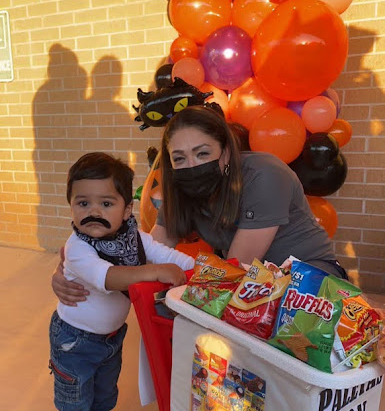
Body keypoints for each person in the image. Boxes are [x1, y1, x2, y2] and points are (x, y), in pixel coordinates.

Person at [51, 104, 348, 307]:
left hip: (309, 281)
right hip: (253, 286)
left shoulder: (265, 174)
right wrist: (76, 268)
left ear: (226, 153)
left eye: (202, 153)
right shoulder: (181, 186)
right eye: (179, 158)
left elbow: (238, 267)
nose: (190, 166)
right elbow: (147, 248)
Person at [50, 152, 194, 411]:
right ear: (71, 206)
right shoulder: (77, 248)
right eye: (83, 203)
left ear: (127, 209)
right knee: (74, 389)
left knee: (106, 383)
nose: (94, 212)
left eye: (106, 203)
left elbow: (163, 254)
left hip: (112, 335)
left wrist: (196, 268)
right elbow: (110, 277)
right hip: (74, 338)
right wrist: (154, 272)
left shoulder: (135, 237)